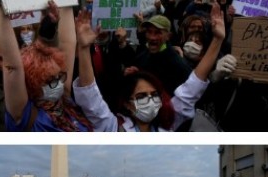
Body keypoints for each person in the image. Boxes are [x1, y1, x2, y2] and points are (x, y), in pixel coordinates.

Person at [73, 3, 225, 131]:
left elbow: (192, 88)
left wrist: (217, 40)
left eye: (154, 95)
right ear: (127, 103)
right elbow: (90, 98)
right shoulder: (114, 128)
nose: (150, 101)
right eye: (141, 97)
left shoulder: (168, 124)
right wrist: (84, 48)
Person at [0, 1, 93, 131]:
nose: (59, 83)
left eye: (60, 77)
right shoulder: (26, 117)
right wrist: (2, 9)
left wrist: (65, 2)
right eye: (50, 81)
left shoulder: (64, 101)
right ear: (33, 84)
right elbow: (12, 68)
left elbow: (67, 44)